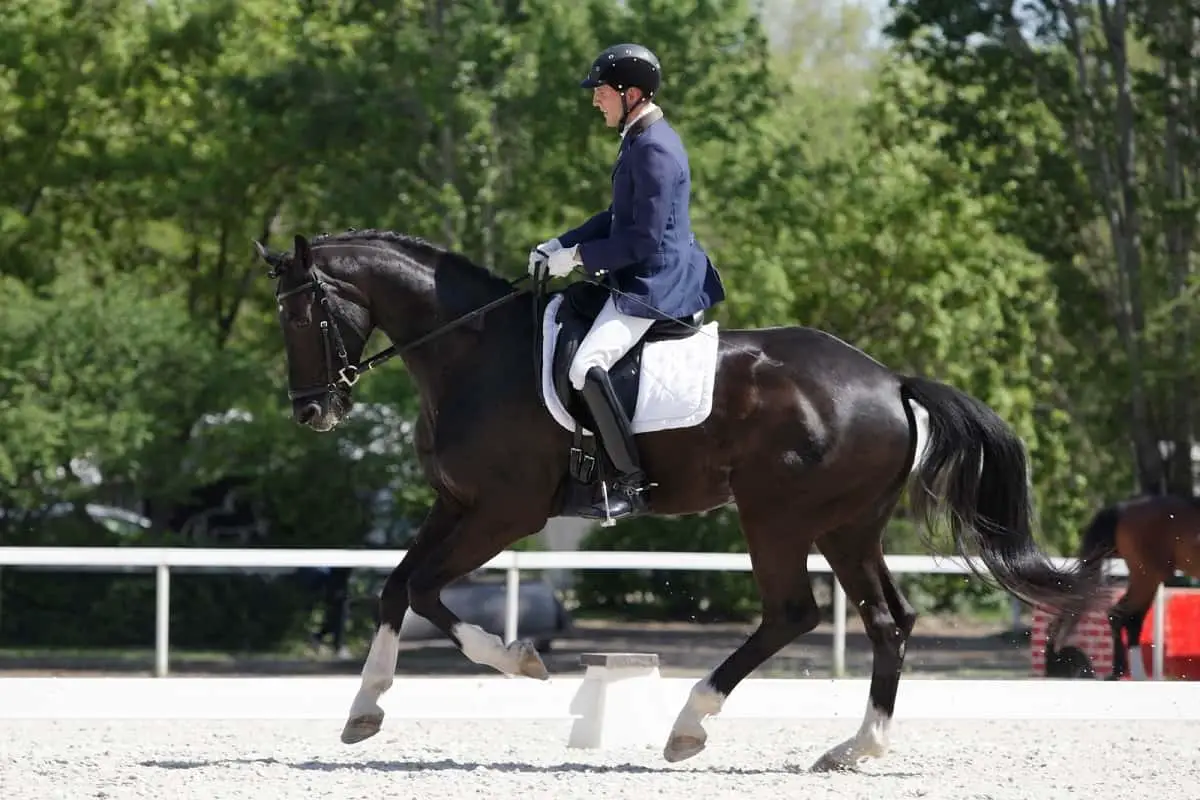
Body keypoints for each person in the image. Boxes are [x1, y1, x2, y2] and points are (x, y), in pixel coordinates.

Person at [528, 42, 726, 521]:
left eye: (601, 91)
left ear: (630, 93)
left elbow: (640, 239)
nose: (596, 99)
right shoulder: (640, 137)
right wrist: (560, 242)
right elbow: (617, 216)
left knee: (586, 365)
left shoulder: (654, 149)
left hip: (656, 283)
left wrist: (578, 257)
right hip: (638, 269)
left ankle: (630, 482)